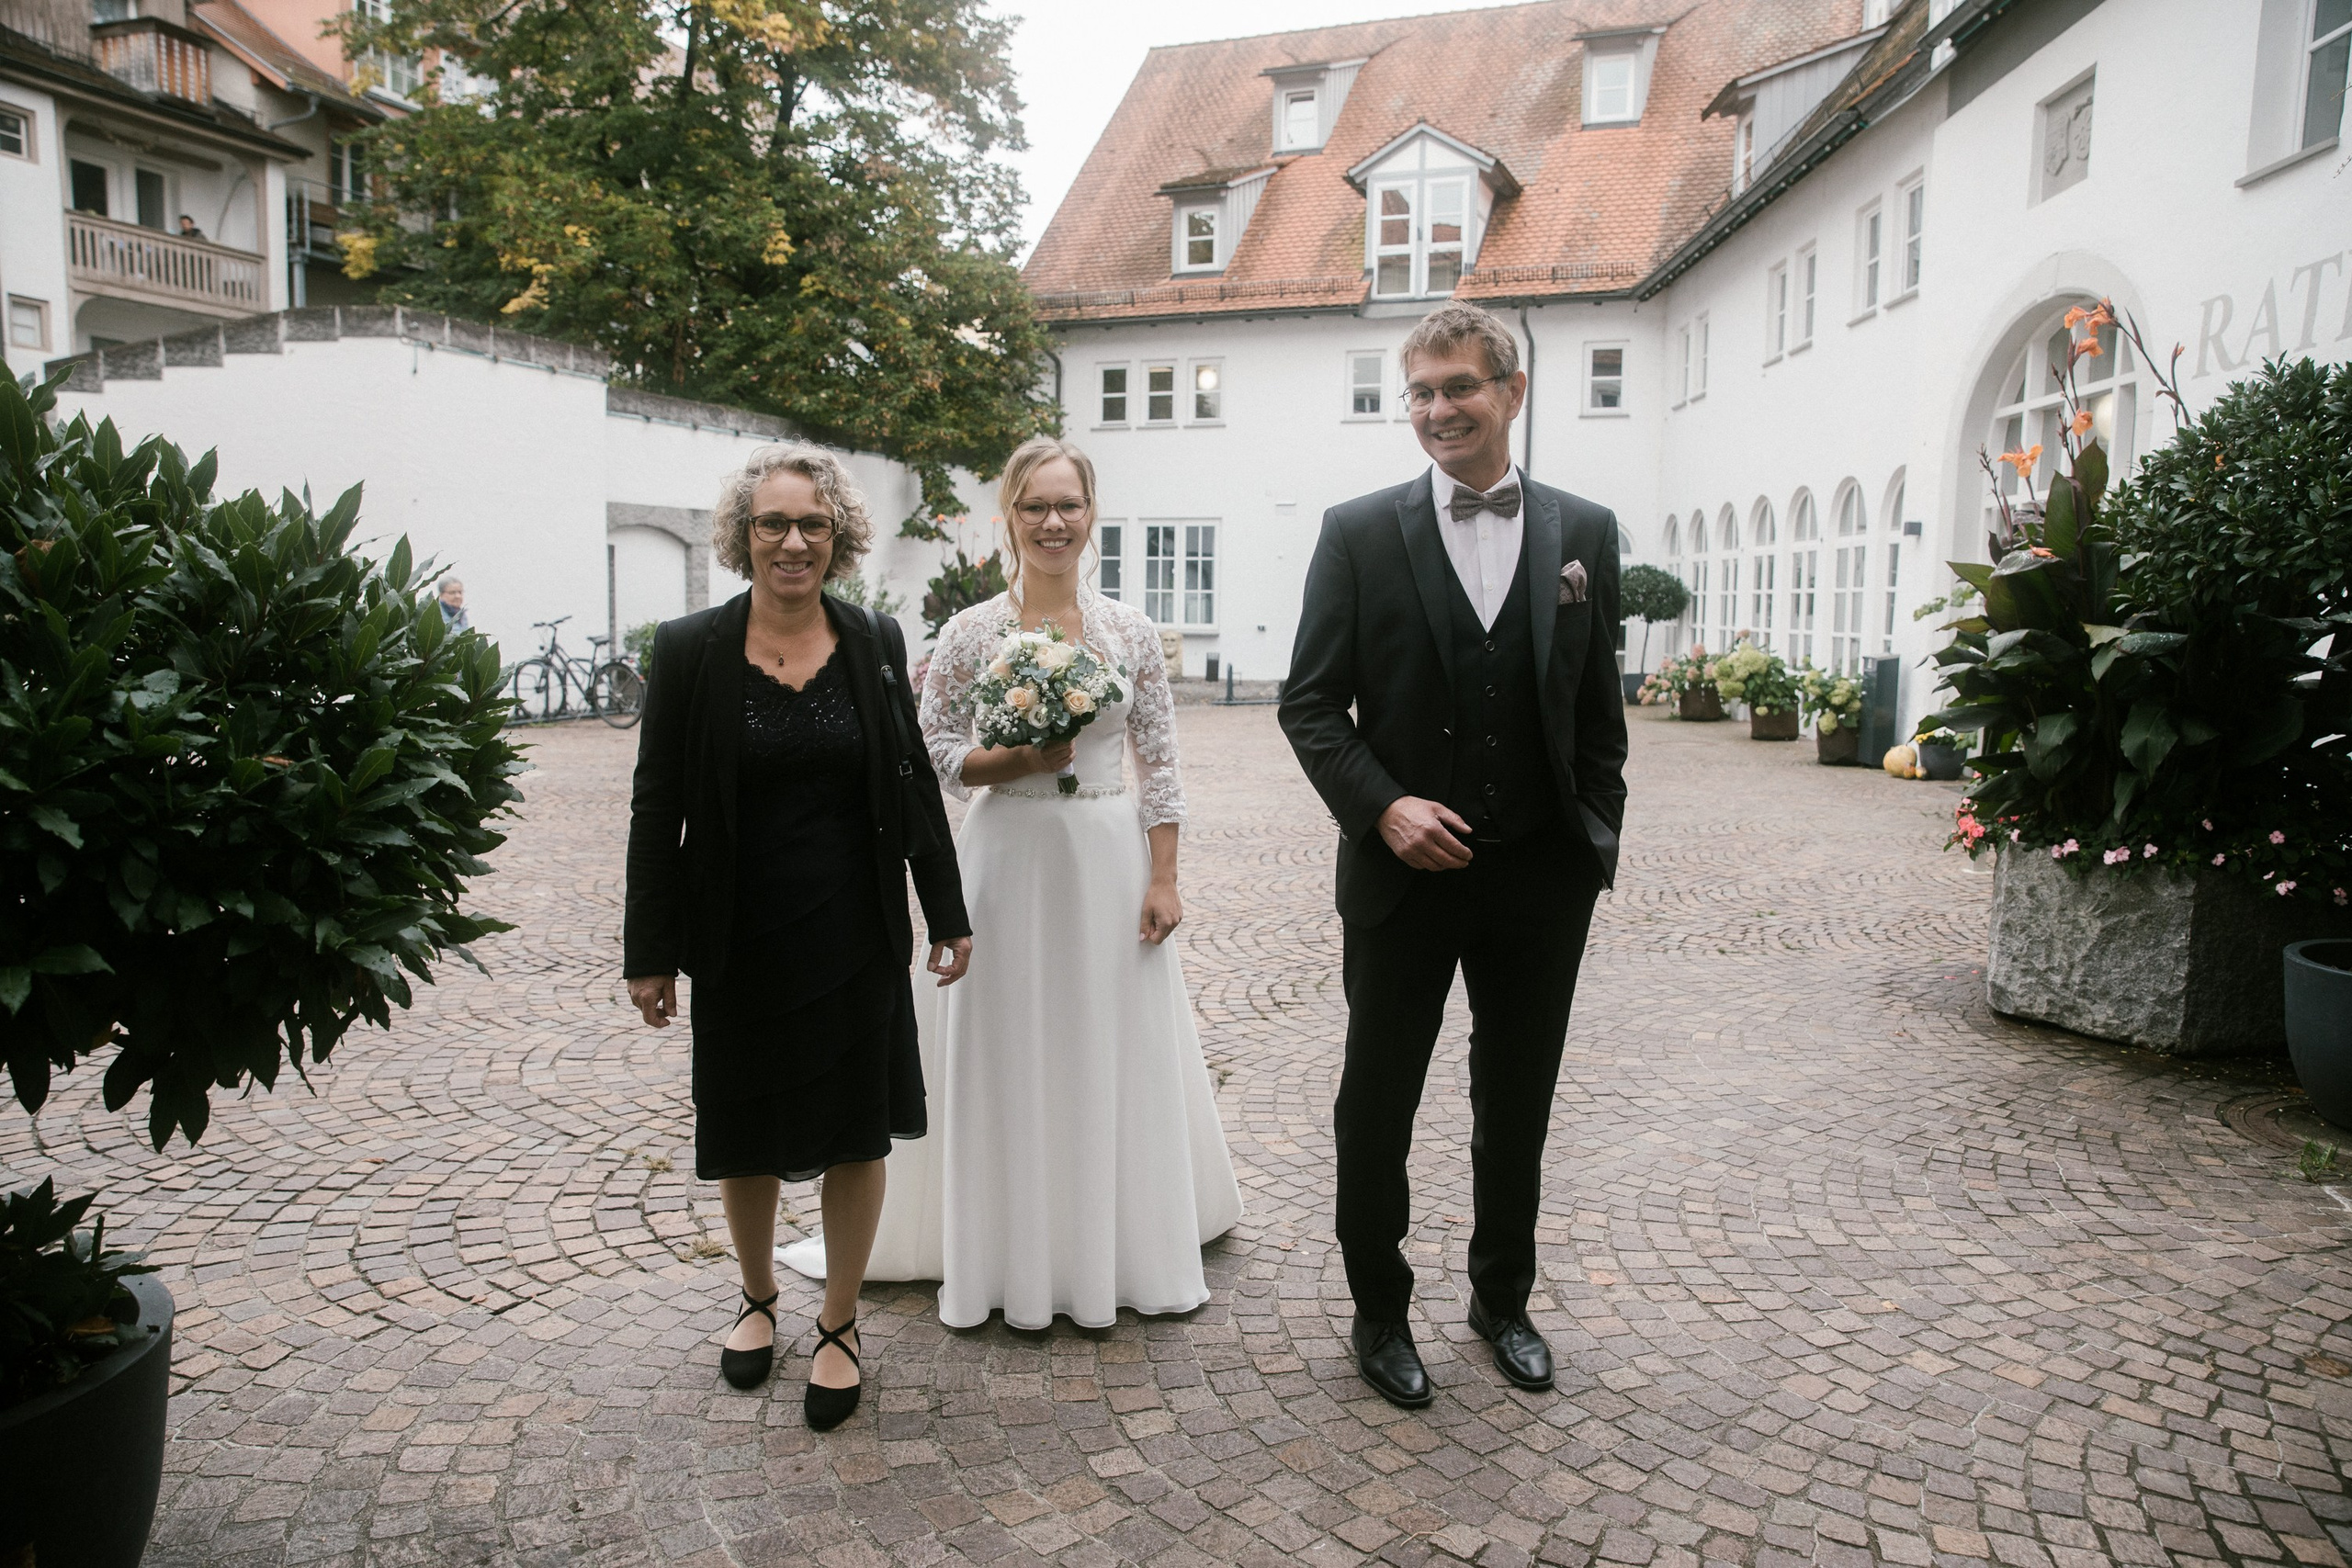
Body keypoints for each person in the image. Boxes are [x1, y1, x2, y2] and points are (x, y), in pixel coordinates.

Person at [781, 434, 1241, 1328]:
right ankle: (1001, 1249)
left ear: (1091, 515)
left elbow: (1162, 766)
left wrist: (1166, 877)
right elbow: (934, 755)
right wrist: (1018, 758)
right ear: (1009, 518)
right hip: (1004, 861)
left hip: (1106, 859)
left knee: (1104, 1043)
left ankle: (1109, 1243)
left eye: (1068, 505)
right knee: (1006, 1045)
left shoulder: (1130, 633)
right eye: (1035, 506)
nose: (1053, 522)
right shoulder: (971, 633)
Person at [1278, 300, 1627, 1409]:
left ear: (1510, 392)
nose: (1436, 410)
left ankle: (1500, 1299)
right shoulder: (1357, 531)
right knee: (1375, 1104)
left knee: (1515, 1100)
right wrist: (1382, 811)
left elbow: (1597, 706)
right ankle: (1379, 1314)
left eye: (1458, 387)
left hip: (1539, 875)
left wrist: (1593, 841)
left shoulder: (1585, 531)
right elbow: (1311, 705)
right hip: (1400, 881)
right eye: (1419, 392)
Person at [622, 444, 970, 1429]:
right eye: (772, 523)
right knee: (746, 1133)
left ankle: (839, 1319)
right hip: (738, 934)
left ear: (838, 537)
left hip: (854, 930)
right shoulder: (689, 647)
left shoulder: (872, 639)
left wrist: (945, 910)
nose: (792, 541)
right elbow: (657, 807)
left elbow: (908, 780)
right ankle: (756, 1297)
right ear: (742, 535)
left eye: (812, 524)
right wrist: (648, 950)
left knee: (858, 1130)